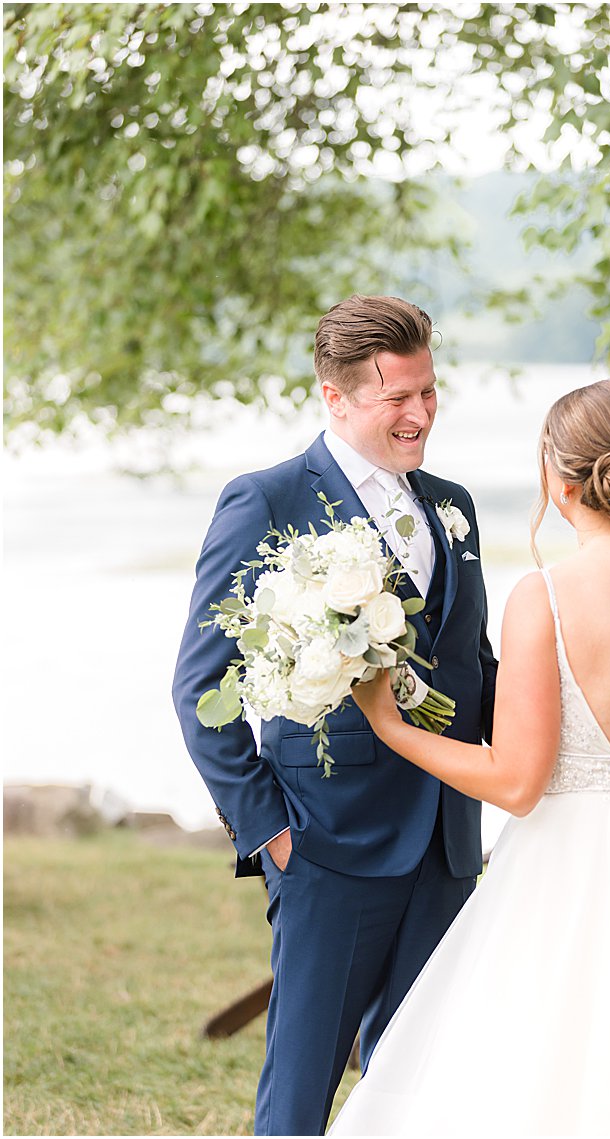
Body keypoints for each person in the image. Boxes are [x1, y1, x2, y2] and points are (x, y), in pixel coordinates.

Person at [327, 378, 610, 1135]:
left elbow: (518, 783)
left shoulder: (549, 595)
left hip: (581, 868)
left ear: (560, 481)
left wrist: (393, 727)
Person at [171, 295, 498, 1135]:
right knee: (302, 1089)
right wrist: (272, 833)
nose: (421, 412)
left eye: (430, 390)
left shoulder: (454, 505)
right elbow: (201, 689)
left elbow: (473, 665)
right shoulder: (267, 500)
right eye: (398, 397)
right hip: (327, 845)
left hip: (448, 844)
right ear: (335, 396)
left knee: (425, 1088)